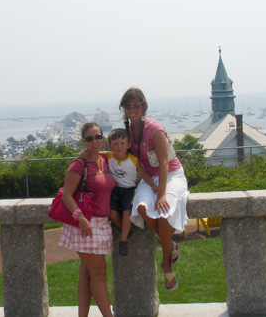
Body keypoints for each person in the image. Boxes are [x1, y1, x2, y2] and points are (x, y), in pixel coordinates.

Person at [121, 87, 189, 291]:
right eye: (128, 106)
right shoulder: (127, 131)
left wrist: (161, 194)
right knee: (141, 207)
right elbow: (134, 161)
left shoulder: (154, 129)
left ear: (143, 107)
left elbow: (164, 162)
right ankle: (171, 245)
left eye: (136, 106)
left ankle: (167, 265)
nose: (132, 110)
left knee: (163, 212)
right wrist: (150, 183)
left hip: (171, 174)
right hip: (150, 177)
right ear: (123, 108)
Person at [58, 122, 116, 317]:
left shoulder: (104, 159)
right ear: (83, 141)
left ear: (103, 138)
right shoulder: (78, 164)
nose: (94, 141)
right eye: (89, 139)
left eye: (98, 137)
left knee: (87, 273)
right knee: (99, 274)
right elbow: (66, 195)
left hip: (102, 223)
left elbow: (120, 153)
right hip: (86, 224)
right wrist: (80, 218)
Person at [106, 128, 152, 256]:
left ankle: (123, 240)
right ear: (110, 146)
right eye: (115, 144)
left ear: (128, 145)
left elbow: (143, 174)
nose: (119, 146)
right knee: (112, 212)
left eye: (122, 143)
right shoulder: (109, 156)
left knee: (127, 211)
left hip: (129, 190)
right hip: (115, 190)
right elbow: (95, 153)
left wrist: (153, 185)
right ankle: (125, 230)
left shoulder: (133, 160)